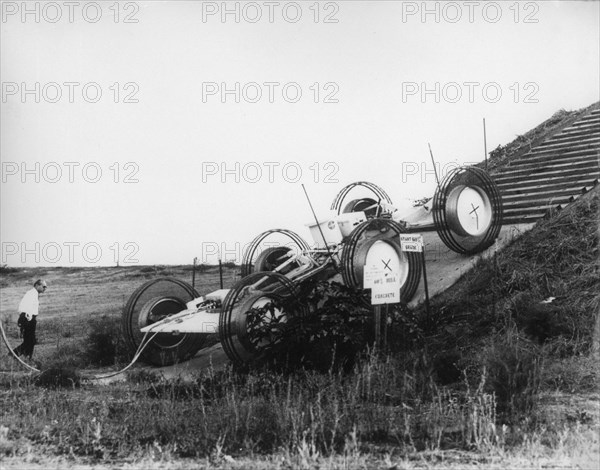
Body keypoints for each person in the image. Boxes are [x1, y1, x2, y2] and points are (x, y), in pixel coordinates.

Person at [13, 279, 47, 359]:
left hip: (30, 319)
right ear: (37, 285)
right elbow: (22, 306)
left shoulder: (34, 294)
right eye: (44, 286)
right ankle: (12, 356)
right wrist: (28, 317)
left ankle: (27, 358)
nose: (45, 289)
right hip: (28, 319)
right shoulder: (31, 293)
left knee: (30, 341)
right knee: (29, 341)